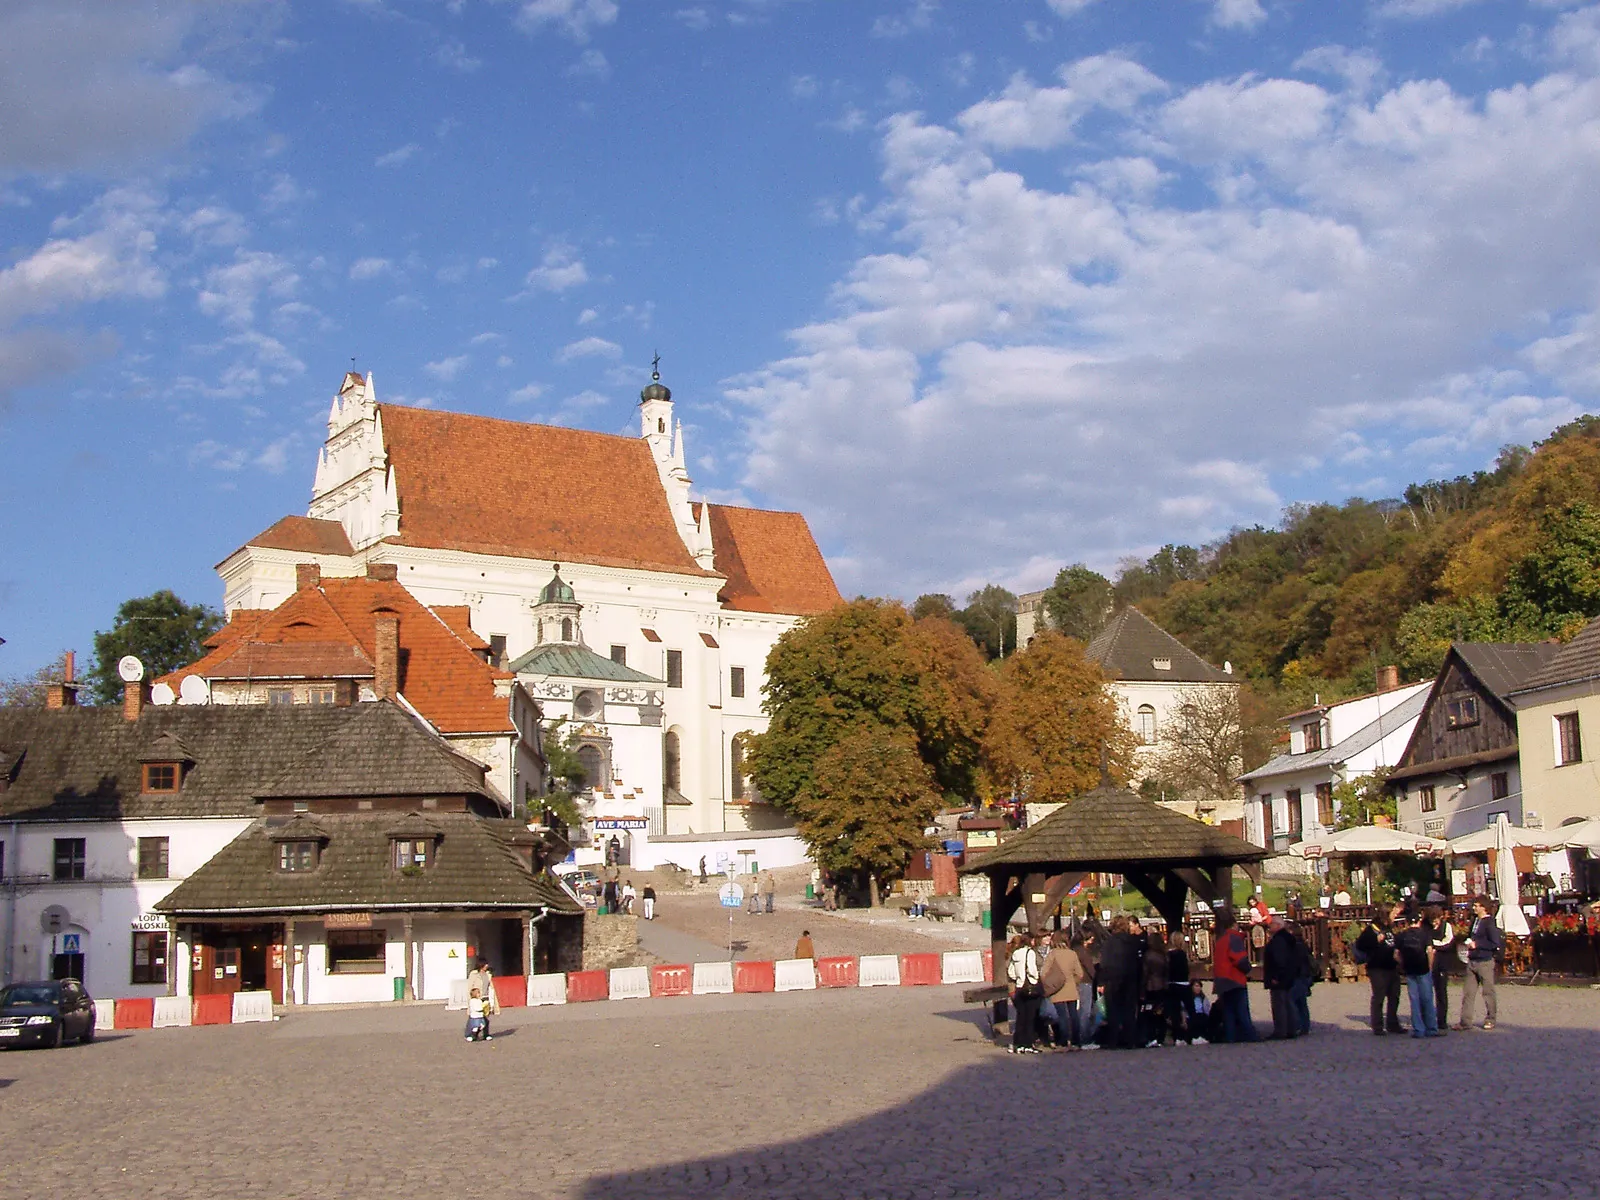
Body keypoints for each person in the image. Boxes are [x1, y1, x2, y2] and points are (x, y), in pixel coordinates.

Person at [1210, 909, 1257, 1043]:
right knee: (1242, 1011)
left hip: (1222, 979)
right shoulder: (1234, 938)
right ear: (1234, 925)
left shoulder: (1220, 940)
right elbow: (1239, 959)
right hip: (1234, 978)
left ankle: (1231, 1037)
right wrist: (1247, 969)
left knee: (1228, 1012)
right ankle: (1250, 1036)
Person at [1458, 896, 1503, 1031]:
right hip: (1472, 959)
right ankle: (1465, 1021)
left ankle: (1491, 1018)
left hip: (1484, 961)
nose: (1474, 908)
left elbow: (1494, 943)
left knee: (1488, 991)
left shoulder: (1489, 923)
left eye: (1477, 905)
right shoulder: (1475, 921)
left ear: (1483, 907)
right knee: (1468, 992)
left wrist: (1477, 944)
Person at [1097, 916, 1142, 1049]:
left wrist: (1101, 982)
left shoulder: (1108, 942)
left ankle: (1113, 1040)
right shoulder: (1133, 941)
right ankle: (1130, 1040)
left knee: (1113, 1011)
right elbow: (1138, 963)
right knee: (1129, 1011)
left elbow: (1104, 964)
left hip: (1112, 979)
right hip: (1130, 979)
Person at [1395, 912, 1442, 1037]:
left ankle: (1418, 1029)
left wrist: (1403, 964)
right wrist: (1430, 966)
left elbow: (1396, 954)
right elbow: (1430, 952)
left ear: (1407, 922)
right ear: (1419, 922)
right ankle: (1431, 1028)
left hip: (1410, 970)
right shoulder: (1425, 934)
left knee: (1414, 1000)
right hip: (1423, 968)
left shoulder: (1401, 935)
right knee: (1427, 999)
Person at [1355, 913, 1402, 1035]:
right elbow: (1360, 946)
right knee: (1379, 997)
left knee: (1394, 996)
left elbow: (1393, 942)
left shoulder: (1387, 929)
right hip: (1377, 968)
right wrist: (1375, 941)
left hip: (1391, 966)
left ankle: (1392, 1024)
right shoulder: (1370, 931)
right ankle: (1378, 1025)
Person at [1043, 932, 1085, 1048]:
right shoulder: (1072, 954)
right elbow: (1080, 974)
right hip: (1071, 988)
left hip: (1057, 989)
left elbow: (1044, 973)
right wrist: (1072, 981)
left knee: (1062, 1016)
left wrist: (1049, 984)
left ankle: (1063, 1042)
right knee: (1073, 1015)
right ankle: (1076, 1042)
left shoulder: (1053, 954)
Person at [1262, 915, 1299, 1040]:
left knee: (1280, 1004)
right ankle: (1291, 1028)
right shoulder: (1287, 938)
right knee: (1287, 1002)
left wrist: (1276, 976)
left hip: (1279, 977)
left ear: (1278, 926)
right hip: (1288, 976)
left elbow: (1279, 960)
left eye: (1272, 924)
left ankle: (1281, 1031)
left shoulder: (1279, 940)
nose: (1269, 926)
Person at [1006, 934, 1044, 1054]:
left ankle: (1018, 1043)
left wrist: (1018, 978)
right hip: (1030, 987)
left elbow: (1010, 971)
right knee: (1030, 1017)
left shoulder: (1016, 953)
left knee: (1021, 1016)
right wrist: (1036, 977)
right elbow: (1032, 969)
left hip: (1019, 987)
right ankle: (1028, 1043)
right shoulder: (1030, 952)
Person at [1427, 903, 1454, 1032]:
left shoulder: (1446, 927)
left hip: (1442, 963)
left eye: (1436, 919)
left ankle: (1442, 1020)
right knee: (1426, 993)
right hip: (1427, 963)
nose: (1434, 922)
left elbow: (1448, 943)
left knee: (1441, 992)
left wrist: (1434, 945)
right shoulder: (1425, 927)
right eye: (1432, 919)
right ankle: (1428, 1018)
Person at [1167, 930, 1196, 1044]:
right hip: (1183, 984)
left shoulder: (1169, 955)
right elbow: (1186, 971)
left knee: (1175, 1012)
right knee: (1190, 1010)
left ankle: (1177, 1037)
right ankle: (1191, 1035)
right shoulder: (1182, 954)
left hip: (1172, 984)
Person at [1141, 928, 1169, 1046]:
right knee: (1160, 1013)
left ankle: (1151, 1037)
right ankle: (1161, 1037)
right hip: (1162, 985)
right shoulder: (1164, 955)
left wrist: (1142, 988)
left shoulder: (1148, 955)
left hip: (1150, 986)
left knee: (1149, 1013)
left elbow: (1145, 973)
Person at [1073, 932, 1101, 1048]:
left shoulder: (1074, 950)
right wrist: (1098, 981)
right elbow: (1090, 969)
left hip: (1077, 983)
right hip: (1086, 982)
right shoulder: (1083, 952)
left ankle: (1078, 1037)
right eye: (1090, 940)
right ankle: (1085, 1039)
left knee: (1080, 1011)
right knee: (1086, 1012)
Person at [464, 958, 500, 1040]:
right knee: (475, 1018)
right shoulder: (474, 974)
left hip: (485, 998)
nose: (487, 966)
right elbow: (470, 987)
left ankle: (483, 1034)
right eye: (485, 964)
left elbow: (490, 986)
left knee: (484, 1018)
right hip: (476, 998)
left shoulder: (488, 974)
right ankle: (471, 1034)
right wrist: (470, 999)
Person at [1290, 926, 1315, 1036]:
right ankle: (1304, 1026)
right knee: (1302, 1002)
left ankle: (1298, 1026)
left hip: (1299, 975)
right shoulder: (1303, 944)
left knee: (1294, 1001)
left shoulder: (1296, 945)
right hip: (1304, 974)